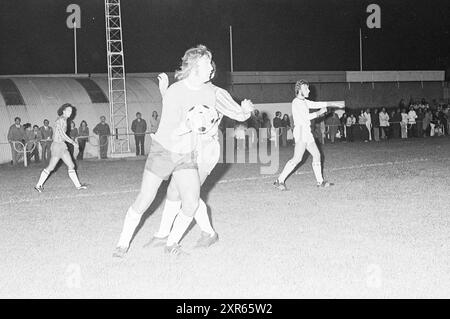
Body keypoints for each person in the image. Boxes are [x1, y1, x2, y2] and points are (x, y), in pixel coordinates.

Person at [113, 44, 218, 257]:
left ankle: (171, 244)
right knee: (145, 198)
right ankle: (122, 244)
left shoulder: (209, 92)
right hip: (165, 149)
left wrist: (210, 128)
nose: (212, 68)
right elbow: (171, 130)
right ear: (196, 67)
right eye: (208, 63)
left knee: (190, 203)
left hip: (186, 153)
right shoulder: (176, 91)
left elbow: (208, 121)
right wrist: (188, 126)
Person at [273, 80, 344, 190]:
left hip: (306, 132)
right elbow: (305, 117)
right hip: (301, 131)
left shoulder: (305, 101)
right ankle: (279, 180)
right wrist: (319, 113)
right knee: (297, 158)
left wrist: (334, 104)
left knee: (317, 155)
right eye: (306, 88)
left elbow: (317, 104)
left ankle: (320, 182)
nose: (309, 90)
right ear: (300, 90)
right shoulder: (296, 102)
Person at [34, 103, 87, 192]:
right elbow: (62, 134)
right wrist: (73, 142)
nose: (70, 112)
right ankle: (38, 185)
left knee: (71, 165)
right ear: (63, 111)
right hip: (57, 146)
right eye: (68, 110)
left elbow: (63, 135)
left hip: (62, 145)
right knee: (51, 167)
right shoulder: (61, 119)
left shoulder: (65, 120)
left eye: (71, 111)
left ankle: (78, 186)